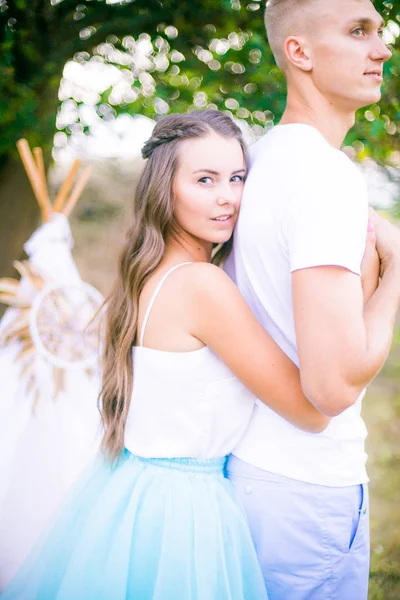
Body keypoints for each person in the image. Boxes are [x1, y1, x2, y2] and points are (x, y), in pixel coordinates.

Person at [1, 109, 343, 600]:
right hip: (184, 511)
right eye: (205, 179)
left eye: (237, 177)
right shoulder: (203, 285)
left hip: (134, 491)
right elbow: (313, 411)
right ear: (165, 188)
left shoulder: (150, 273)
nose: (227, 196)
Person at [225, 1, 400, 599]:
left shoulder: (260, 158)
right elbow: (331, 387)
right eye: (359, 32)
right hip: (306, 487)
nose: (382, 49)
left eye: (379, 32)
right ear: (298, 52)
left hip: (251, 470)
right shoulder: (326, 178)